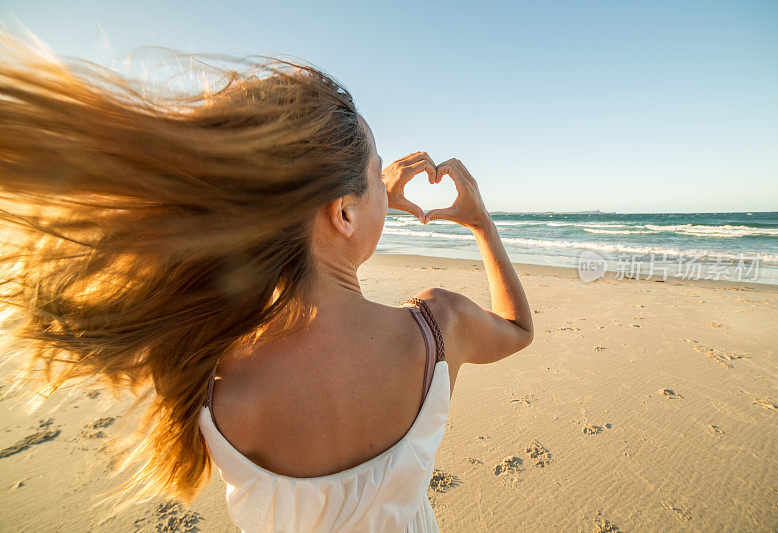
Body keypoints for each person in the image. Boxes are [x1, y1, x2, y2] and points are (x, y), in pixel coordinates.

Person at [0, 28, 533, 532]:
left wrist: (364, 199)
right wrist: (480, 222)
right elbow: (517, 327)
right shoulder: (438, 328)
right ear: (343, 213)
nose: (385, 179)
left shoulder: (205, 375)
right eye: (376, 170)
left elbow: (317, 243)